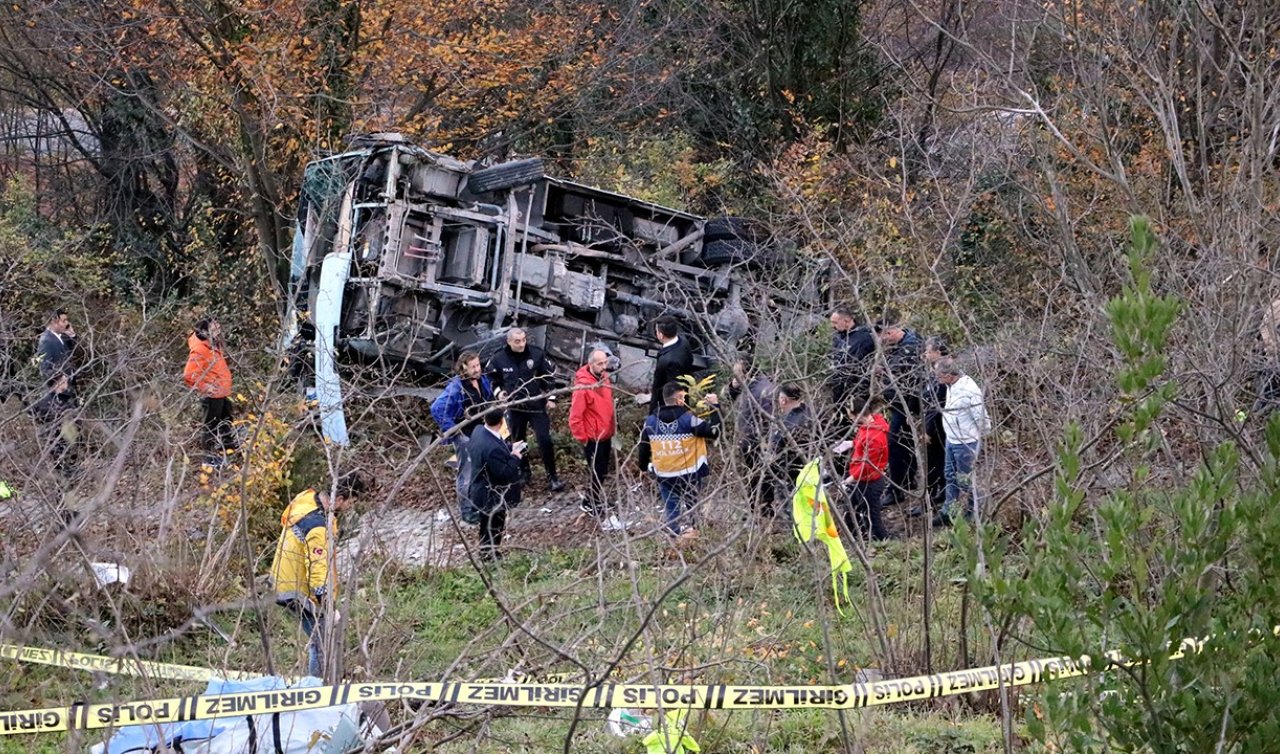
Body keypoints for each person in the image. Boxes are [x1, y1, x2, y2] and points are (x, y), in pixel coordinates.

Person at [270, 472, 368, 678]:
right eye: (351, 502)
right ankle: (317, 690)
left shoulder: (305, 500)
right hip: (298, 590)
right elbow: (318, 568)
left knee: (321, 636)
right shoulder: (317, 526)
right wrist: (327, 604)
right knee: (323, 639)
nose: (350, 507)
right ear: (339, 499)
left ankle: (323, 681)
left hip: (283, 580)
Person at [638, 382, 721, 538]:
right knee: (693, 508)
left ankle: (674, 540)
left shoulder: (650, 421)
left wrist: (643, 467)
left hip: (664, 475)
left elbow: (643, 447)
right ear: (678, 399)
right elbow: (715, 432)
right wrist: (715, 407)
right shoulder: (689, 420)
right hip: (690, 474)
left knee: (671, 510)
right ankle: (697, 536)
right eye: (683, 397)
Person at [488, 328, 564, 491]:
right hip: (515, 407)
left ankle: (552, 476)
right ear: (509, 342)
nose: (522, 344)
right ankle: (524, 472)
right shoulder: (499, 358)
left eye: (523, 340)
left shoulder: (536, 354)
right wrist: (499, 393)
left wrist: (550, 398)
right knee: (518, 441)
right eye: (517, 341)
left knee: (544, 440)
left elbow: (548, 376)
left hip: (536, 405)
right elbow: (492, 380)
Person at [431, 351, 495, 524]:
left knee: (481, 470)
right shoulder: (456, 387)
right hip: (465, 436)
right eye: (472, 367)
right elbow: (437, 408)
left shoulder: (482, 381)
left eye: (478, 365)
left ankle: (480, 503)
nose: (476, 369)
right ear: (464, 367)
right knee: (466, 474)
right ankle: (466, 511)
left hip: (481, 433)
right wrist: (452, 429)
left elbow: (487, 399)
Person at [934, 357, 992, 526]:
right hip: (951, 440)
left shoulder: (969, 390)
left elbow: (981, 417)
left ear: (948, 375)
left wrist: (978, 437)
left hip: (966, 443)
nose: (937, 380)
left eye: (939, 376)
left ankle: (975, 510)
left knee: (965, 479)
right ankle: (949, 511)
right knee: (950, 476)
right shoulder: (950, 386)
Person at [874, 316, 925, 506]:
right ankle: (907, 480)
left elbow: (906, 376)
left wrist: (885, 372)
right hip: (899, 403)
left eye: (883, 337)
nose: (882, 341)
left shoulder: (911, 347)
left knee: (894, 443)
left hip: (907, 405)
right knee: (905, 443)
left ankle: (896, 490)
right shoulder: (899, 346)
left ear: (890, 332)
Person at [468, 408, 526, 561]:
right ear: (501, 422)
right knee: (494, 525)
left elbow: (495, 451)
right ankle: (490, 555)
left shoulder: (479, 431)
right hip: (491, 495)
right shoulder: (492, 448)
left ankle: (486, 551)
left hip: (480, 488)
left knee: (486, 524)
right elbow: (504, 472)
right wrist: (515, 456)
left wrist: (508, 449)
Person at [568, 349, 618, 520]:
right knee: (596, 471)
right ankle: (590, 502)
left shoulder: (604, 378)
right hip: (593, 437)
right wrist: (582, 438)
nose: (604, 366)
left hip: (606, 433)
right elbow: (575, 415)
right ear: (591, 364)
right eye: (600, 364)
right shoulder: (583, 386)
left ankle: (594, 498)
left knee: (602, 469)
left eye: (605, 363)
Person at [182, 317, 236, 466]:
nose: (218, 330)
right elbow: (188, 375)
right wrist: (206, 387)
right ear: (206, 331)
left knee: (226, 421)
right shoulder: (200, 350)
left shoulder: (213, 347)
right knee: (210, 427)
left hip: (222, 394)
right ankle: (209, 459)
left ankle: (229, 450)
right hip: (212, 397)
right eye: (215, 328)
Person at [728, 354, 775, 515]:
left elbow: (769, 419)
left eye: (738, 373)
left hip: (757, 441)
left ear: (746, 372)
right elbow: (730, 398)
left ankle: (764, 508)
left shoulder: (762, 391)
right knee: (752, 475)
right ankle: (755, 507)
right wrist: (733, 387)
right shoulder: (749, 384)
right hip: (749, 438)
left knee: (759, 476)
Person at [841, 399, 890, 540]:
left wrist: (850, 479)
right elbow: (863, 443)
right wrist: (851, 443)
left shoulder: (874, 436)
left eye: (851, 415)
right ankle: (856, 536)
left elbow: (868, 465)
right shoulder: (869, 426)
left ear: (859, 415)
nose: (850, 418)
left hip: (869, 481)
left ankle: (882, 541)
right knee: (851, 509)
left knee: (871, 516)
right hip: (861, 478)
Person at [916, 336, 951, 517]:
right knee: (934, 462)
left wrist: (927, 429)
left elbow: (938, 403)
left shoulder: (945, 373)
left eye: (928, 352)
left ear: (938, 352)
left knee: (936, 462)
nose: (925, 355)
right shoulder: (933, 371)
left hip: (939, 427)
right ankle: (936, 495)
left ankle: (936, 498)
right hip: (931, 423)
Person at [768, 383, 814, 520]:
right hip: (811, 471)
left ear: (783, 400)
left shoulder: (788, 423)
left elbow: (776, 449)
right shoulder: (812, 414)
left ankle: (797, 535)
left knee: (793, 509)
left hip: (790, 474)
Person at [827, 305, 875, 422]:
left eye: (835, 322)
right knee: (840, 420)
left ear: (847, 321)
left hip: (855, 388)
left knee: (855, 421)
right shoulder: (839, 337)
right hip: (838, 387)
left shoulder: (864, 337)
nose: (833, 326)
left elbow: (857, 364)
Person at [29, 372, 79, 476]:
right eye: (64, 381)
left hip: (66, 439)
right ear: (58, 383)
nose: (67, 384)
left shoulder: (66, 398)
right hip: (56, 439)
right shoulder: (49, 401)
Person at [649, 316, 694, 414]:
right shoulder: (683, 342)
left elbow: (673, 390)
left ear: (661, 335)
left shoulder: (670, 361)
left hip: (667, 405)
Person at [35, 308, 77, 383]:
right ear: (54, 321)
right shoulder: (46, 341)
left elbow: (72, 352)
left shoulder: (62, 336)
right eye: (64, 321)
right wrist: (61, 377)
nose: (67, 323)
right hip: (58, 389)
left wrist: (72, 335)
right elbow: (44, 370)